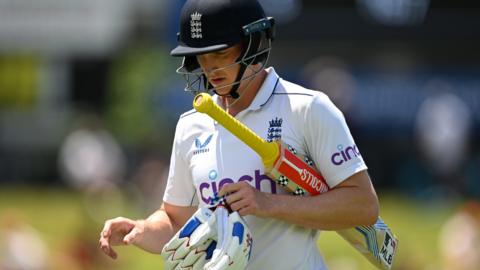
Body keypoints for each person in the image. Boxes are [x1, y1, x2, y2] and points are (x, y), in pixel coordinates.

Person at [99, 0, 380, 269]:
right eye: (200, 56)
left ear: (254, 45)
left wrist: (267, 203)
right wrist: (142, 228)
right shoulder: (191, 125)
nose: (209, 67)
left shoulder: (308, 108)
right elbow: (176, 221)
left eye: (220, 53)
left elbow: (362, 206)